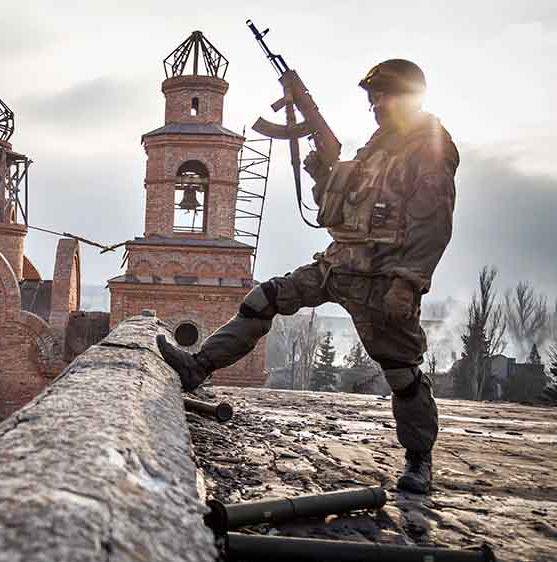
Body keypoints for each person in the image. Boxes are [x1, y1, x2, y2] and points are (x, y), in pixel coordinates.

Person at [157, 59, 459, 495]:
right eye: (372, 97)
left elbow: (434, 224)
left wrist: (409, 281)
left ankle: (418, 460)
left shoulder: (428, 147)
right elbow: (337, 210)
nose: (375, 104)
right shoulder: (377, 148)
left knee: (402, 374)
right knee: (264, 299)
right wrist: (324, 174)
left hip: (383, 276)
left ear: (410, 97)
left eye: (383, 95)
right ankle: (197, 368)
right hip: (338, 264)